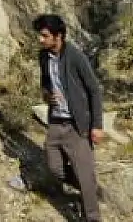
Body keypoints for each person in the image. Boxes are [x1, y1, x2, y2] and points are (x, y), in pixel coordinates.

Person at [34, 13, 105, 221]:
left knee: (84, 176)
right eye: (40, 35)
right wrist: (48, 96)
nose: (40, 39)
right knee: (55, 169)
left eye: (45, 36)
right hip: (56, 122)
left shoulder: (76, 57)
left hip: (77, 126)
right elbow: (45, 85)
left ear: (58, 36)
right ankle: (88, 187)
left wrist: (97, 126)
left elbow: (94, 90)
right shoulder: (43, 56)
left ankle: (91, 214)